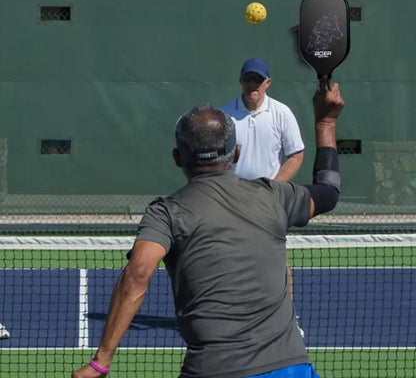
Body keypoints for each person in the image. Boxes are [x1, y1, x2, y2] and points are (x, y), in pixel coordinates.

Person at [72, 82, 344, 378]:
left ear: (178, 158)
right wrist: (326, 122)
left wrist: (101, 363)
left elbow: (137, 274)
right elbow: (329, 191)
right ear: (236, 153)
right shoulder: (274, 196)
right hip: (290, 369)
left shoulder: (166, 213)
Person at [222, 58, 305, 334]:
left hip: (270, 200)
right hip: (233, 202)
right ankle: (235, 317)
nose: (253, 85)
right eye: (248, 79)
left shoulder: (282, 114)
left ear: (267, 83)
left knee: (277, 259)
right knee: (231, 259)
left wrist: (275, 187)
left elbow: (296, 154)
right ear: (241, 82)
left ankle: (287, 320)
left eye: (258, 80)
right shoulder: (225, 117)